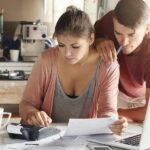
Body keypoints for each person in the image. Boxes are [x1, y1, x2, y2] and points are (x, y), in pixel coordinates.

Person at [19, 6, 127, 135]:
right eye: (61, 45)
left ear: (91, 39)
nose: (67, 53)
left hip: (85, 139)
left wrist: (113, 123)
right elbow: (26, 104)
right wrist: (33, 113)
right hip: (44, 138)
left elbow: (107, 110)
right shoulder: (46, 60)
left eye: (75, 46)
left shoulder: (108, 66)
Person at [94, 0, 150, 122]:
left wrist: (111, 114)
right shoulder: (109, 20)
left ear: (147, 28)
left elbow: (148, 112)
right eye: (118, 33)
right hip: (116, 90)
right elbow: (86, 38)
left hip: (143, 98)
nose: (123, 42)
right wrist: (98, 41)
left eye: (131, 35)